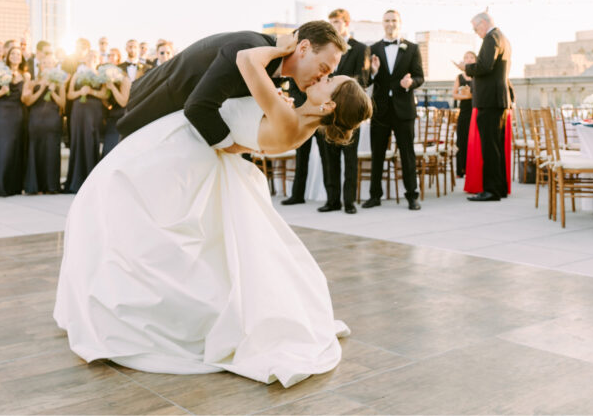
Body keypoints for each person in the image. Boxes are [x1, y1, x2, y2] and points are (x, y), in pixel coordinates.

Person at [54, 34, 371, 387]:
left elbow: (247, 62)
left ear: (328, 108)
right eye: (327, 71)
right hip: (197, 150)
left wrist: (281, 47)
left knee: (129, 212)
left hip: (190, 148)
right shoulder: (295, 118)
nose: (322, 78)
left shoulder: (287, 118)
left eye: (329, 80)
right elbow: (245, 125)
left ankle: (154, 319)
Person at [118, 21, 346, 148]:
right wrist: (233, 148)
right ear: (303, 48)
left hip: (178, 137)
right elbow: (199, 108)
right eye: (324, 69)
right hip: (149, 114)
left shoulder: (273, 71)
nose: (321, 77)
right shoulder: (248, 48)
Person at [364, 10, 425, 211]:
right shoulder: (372, 49)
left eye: (394, 20)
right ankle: (374, 196)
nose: (390, 24)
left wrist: (410, 82)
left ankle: (412, 196)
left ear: (400, 23)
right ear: (383, 23)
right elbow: (365, 81)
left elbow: (419, 77)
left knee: (407, 155)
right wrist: (372, 72)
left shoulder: (412, 48)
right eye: (387, 20)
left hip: (404, 110)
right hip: (380, 111)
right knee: (377, 154)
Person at [314, 9, 371, 213]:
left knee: (350, 159)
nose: (333, 26)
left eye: (336, 22)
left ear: (346, 23)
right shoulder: (324, 49)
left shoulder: (360, 49)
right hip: (327, 113)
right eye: (330, 22)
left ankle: (349, 202)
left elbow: (362, 82)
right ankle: (332, 200)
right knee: (329, 159)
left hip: (349, 113)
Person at [461, 11, 513, 202]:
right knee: (496, 146)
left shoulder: (491, 38)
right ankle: (499, 187)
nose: (475, 32)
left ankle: (491, 190)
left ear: (483, 23)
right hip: (498, 100)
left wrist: (465, 68)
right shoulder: (502, 38)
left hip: (489, 101)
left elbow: (484, 66)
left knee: (490, 147)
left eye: (475, 28)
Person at [22, 42, 66, 194]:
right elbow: (27, 102)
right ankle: (35, 185)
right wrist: (42, 88)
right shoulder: (33, 82)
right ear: (40, 65)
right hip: (36, 120)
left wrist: (52, 91)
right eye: (44, 63)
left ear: (54, 65)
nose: (46, 65)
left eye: (50, 63)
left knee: (52, 152)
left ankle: (51, 186)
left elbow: (62, 103)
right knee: (36, 151)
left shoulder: (59, 82)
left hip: (52, 120)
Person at [0, 44, 28, 196]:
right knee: (3, 147)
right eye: (13, 54)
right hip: (1, 112)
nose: (16, 57)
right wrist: (2, 91)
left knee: (15, 148)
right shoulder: (0, 70)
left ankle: (15, 185)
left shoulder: (25, 75)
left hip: (17, 113)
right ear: (8, 56)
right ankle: (1, 186)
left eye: (18, 54)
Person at [64, 52, 108, 192]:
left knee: (91, 140)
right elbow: (70, 94)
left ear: (98, 59)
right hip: (79, 111)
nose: (91, 58)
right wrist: (81, 93)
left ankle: (91, 180)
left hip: (94, 111)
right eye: (89, 56)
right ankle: (75, 181)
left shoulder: (101, 76)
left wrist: (90, 92)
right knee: (78, 140)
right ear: (84, 59)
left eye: (94, 56)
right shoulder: (77, 74)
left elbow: (105, 94)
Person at [101, 49, 131, 156]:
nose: (111, 57)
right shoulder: (105, 76)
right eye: (109, 55)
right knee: (107, 150)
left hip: (121, 117)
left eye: (113, 55)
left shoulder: (124, 78)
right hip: (111, 117)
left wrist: (112, 87)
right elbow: (105, 100)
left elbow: (123, 102)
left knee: (113, 150)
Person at [452, 51, 477, 177]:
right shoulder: (459, 77)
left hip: (476, 110)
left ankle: (473, 168)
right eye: (466, 57)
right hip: (464, 111)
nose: (469, 59)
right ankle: (460, 169)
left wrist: (471, 95)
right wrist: (465, 96)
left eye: (471, 57)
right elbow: (454, 94)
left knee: (474, 141)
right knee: (461, 140)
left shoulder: (477, 76)